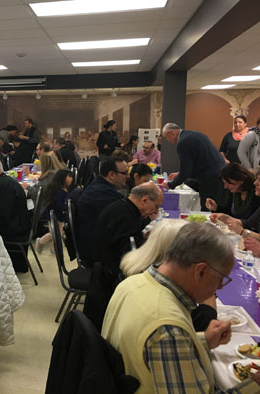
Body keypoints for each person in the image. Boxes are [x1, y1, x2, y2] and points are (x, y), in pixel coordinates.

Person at [102, 222, 260, 392]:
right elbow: (167, 339)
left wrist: (203, 341)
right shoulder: (168, 330)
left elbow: (154, 351)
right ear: (201, 271)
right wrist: (253, 385)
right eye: (221, 279)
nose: (219, 287)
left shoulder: (131, 284)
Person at [92, 183, 164, 283]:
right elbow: (130, 255)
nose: (156, 211)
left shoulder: (122, 207)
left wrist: (143, 237)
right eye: (157, 206)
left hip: (104, 264)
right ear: (145, 200)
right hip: (112, 276)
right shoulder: (125, 218)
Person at [76, 157, 129, 266]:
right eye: (125, 173)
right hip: (97, 254)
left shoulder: (99, 186)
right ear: (112, 175)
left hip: (93, 243)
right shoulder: (103, 194)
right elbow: (123, 221)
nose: (128, 176)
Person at [161, 123, 225, 210]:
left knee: (207, 206)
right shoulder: (194, 134)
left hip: (210, 177)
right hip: (219, 172)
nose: (168, 141)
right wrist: (179, 174)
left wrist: (170, 185)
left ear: (171, 133)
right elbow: (198, 161)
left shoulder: (183, 142)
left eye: (166, 137)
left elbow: (185, 172)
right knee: (214, 204)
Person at [36, 169, 73, 253]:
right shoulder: (59, 191)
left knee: (58, 233)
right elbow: (59, 206)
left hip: (59, 215)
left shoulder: (63, 189)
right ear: (62, 178)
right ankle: (41, 241)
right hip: (54, 215)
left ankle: (54, 249)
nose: (71, 179)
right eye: (69, 177)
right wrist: (67, 208)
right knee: (54, 233)